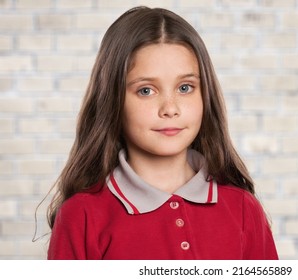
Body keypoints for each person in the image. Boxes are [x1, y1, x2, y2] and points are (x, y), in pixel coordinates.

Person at [47, 6, 278, 260]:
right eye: (146, 90)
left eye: (185, 87)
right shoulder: (81, 215)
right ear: (113, 100)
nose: (170, 108)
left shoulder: (243, 208)